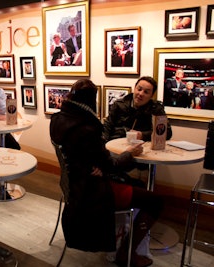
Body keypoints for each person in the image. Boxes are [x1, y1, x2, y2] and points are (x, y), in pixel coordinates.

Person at [50, 79, 163, 267]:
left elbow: (86, 158)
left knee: (139, 187)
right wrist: (128, 155)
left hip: (76, 185)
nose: (141, 93)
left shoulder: (58, 119)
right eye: (139, 88)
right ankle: (126, 252)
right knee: (155, 201)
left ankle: (124, 237)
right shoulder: (86, 128)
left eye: (147, 91)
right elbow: (109, 164)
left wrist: (96, 165)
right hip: (93, 191)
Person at [103, 76, 172, 143]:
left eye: (146, 92)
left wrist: (142, 135)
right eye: (139, 89)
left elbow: (167, 132)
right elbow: (107, 126)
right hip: (117, 142)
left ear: (151, 96)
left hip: (142, 146)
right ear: (134, 88)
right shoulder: (119, 104)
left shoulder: (156, 108)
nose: (141, 94)